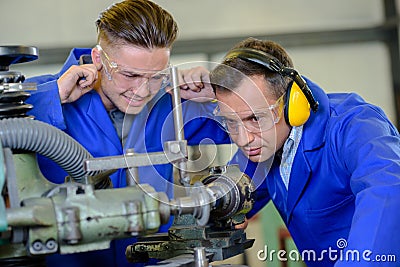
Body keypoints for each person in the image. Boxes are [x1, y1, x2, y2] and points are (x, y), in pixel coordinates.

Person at [25, 1, 230, 266]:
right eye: (130, 75)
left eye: (156, 76)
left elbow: (258, 137)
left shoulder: (170, 104)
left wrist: (218, 96)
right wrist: (52, 99)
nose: (143, 90)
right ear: (99, 59)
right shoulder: (38, 97)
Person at [209, 37, 400, 266]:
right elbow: (228, 195)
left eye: (255, 118)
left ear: (292, 102)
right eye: (231, 122)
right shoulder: (262, 145)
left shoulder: (354, 126)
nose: (243, 138)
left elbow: (388, 190)